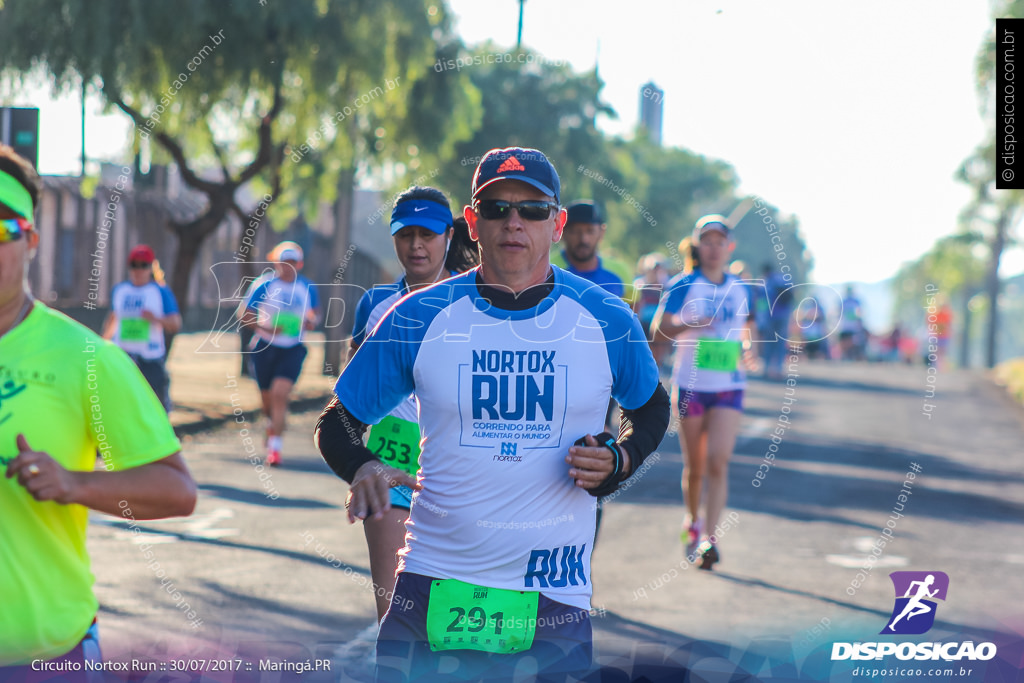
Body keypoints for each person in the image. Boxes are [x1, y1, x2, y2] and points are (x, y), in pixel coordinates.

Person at [315, 147, 669, 681]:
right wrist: (362, 465)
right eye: (497, 208)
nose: (514, 222)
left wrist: (619, 460)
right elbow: (338, 421)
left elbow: (651, 409)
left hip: (551, 598)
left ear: (558, 223)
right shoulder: (419, 315)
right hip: (432, 586)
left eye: (532, 209)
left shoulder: (605, 317)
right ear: (473, 222)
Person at [0, 145, 197, 673]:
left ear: (31, 240)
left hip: (41, 656)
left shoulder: (84, 359)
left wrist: (75, 485)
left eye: (1, 230)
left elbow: (177, 491)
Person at [349, 187, 479, 622]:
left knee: (450, 614)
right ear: (393, 239)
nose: (416, 245)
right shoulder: (374, 304)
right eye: (406, 235)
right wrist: (358, 461)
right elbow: (353, 392)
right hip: (390, 463)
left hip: (456, 468)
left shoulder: (475, 302)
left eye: (427, 234)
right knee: (394, 612)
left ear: (448, 236)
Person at [651, 215, 754, 570]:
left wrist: (749, 347)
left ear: (729, 247)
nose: (713, 248)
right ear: (697, 245)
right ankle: (692, 523)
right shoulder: (683, 285)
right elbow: (658, 330)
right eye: (706, 241)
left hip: (729, 385)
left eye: (719, 241)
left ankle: (711, 537)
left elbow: (748, 327)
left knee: (719, 461)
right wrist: (687, 324)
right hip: (692, 385)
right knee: (695, 466)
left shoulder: (741, 288)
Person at [239, 242, 320, 466]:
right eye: (284, 262)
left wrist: (311, 322)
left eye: (292, 262)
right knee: (267, 398)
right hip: (265, 347)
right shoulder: (264, 285)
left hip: (293, 348)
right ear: (276, 262)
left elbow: (315, 315)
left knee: (280, 393)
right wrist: (267, 329)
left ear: (299, 264)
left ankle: (275, 450)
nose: (288, 266)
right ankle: (270, 423)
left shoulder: (307, 287)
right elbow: (245, 315)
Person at [102, 244, 182, 412]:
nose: (138, 270)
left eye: (143, 265)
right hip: (123, 358)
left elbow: (175, 324)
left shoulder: (160, 291)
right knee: (120, 408)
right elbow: (112, 320)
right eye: (134, 265)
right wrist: (102, 346)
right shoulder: (120, 290)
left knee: (153, 410)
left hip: (150, 360)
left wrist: (155, 319)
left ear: (151, 267)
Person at [551, 200, 635, 303]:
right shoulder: (548, 270)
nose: (583, 239)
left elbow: (633, 312)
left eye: (590, 231)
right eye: (575, 231)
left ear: (601, 232)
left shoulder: (620, 272)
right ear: (562, 232)